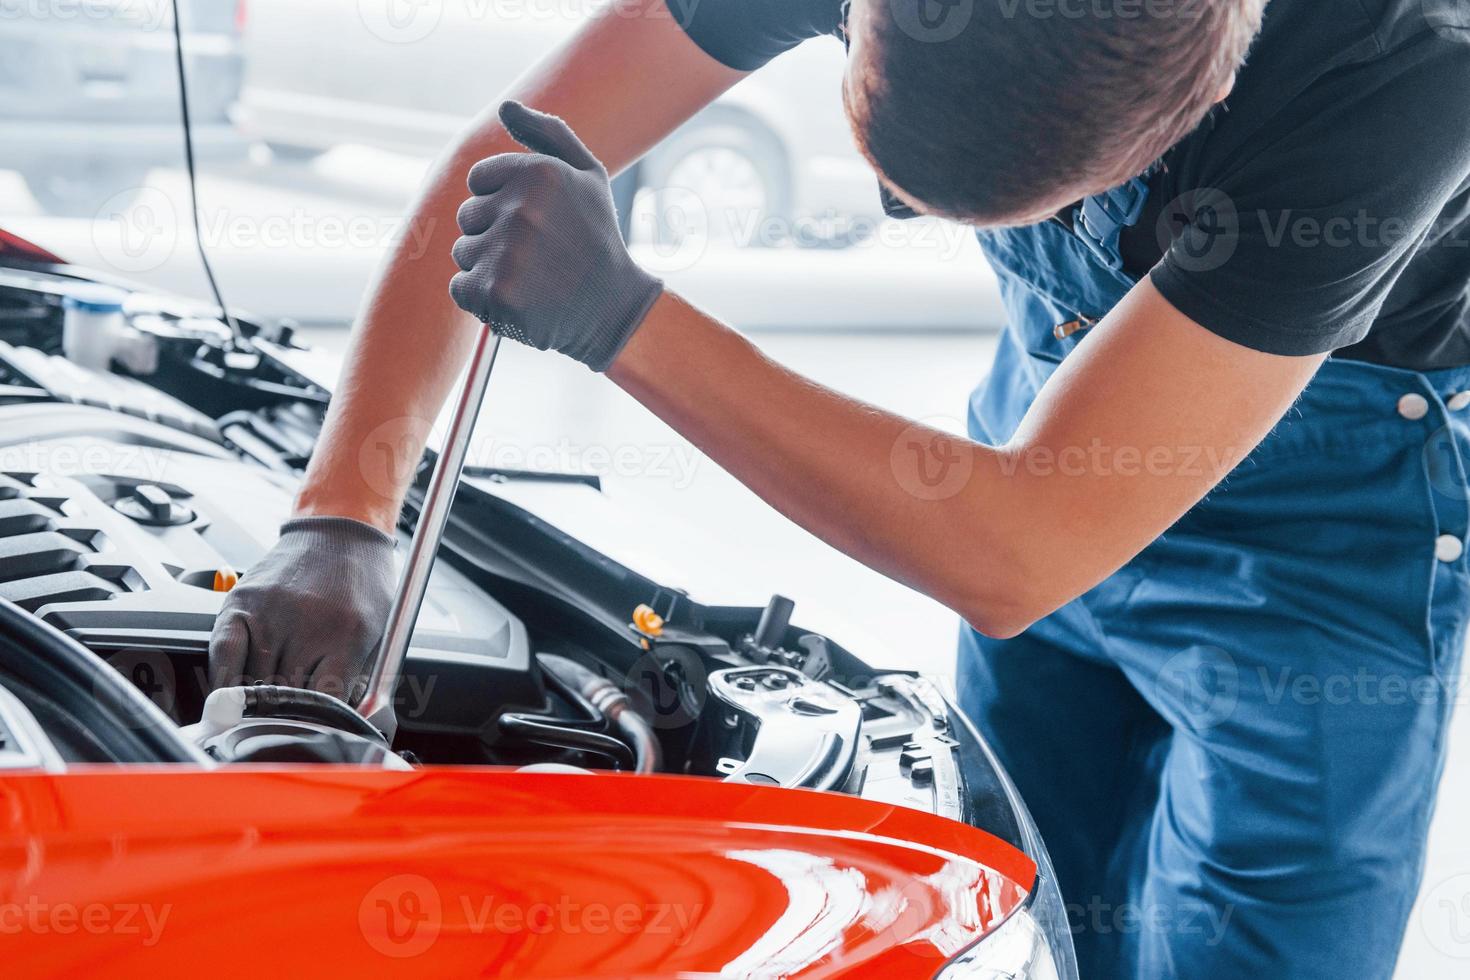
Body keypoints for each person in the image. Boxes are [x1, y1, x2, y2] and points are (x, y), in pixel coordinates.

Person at [209, 1, 1470, 975]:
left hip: (1327, 510)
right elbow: (506, 152)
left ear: (1187, 114)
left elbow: (1014, 552)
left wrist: (620, 319)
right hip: (1042, 408)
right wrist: (342, 507)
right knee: (1018, 911)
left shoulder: (1395, 72)